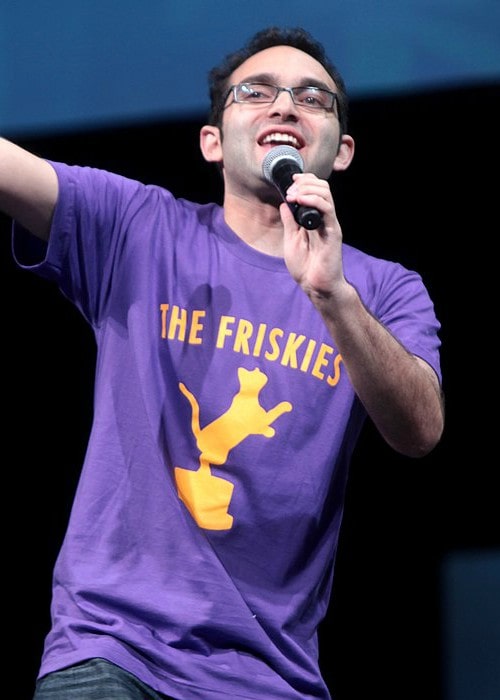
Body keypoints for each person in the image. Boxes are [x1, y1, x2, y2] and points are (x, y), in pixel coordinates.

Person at [1, 25, 444, 700]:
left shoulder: (383, 290)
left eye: (312, 98)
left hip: (269, 677)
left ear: (343, 151)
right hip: (113, 651)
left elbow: (420, 430)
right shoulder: (139, 229)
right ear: (212, 140)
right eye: (256, 92)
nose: (285, 106)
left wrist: (332, 296)